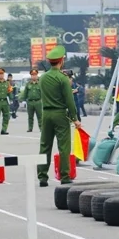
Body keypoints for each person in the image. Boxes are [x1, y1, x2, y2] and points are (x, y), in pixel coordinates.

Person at [37, 45, 81, 187]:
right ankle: (65, 176)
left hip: (46, 114)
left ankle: (42, 177)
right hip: (60, 114)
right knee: (64, 146)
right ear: (62, 60)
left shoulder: (43, 78)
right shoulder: (63, 78)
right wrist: (75, 119)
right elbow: (69, 101)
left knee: (45, 145)